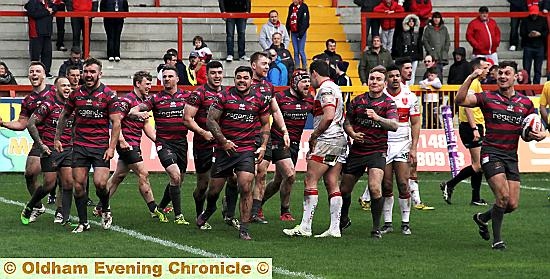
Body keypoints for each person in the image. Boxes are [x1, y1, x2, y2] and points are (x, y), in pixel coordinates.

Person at [456, 60, 545, 250]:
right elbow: (460, 100)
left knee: (511, 204)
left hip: (511, 156)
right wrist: (471, 77)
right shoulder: (487, 97)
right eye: (500, 73)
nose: (502, 76)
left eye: (507, 73)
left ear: (515, 77)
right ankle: (497, 241)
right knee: (503, 197)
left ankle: (482, 218)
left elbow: (534, 130)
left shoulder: (526, 103)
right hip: (491, 153)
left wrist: (540, 135)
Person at [197, 66, 271, 240]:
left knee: (245, 186)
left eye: (245, 78)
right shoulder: (224, 96)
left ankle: (244, 228)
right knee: (213, 190)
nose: (242, 81)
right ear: (234, 79)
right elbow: (210, 120)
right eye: (239, 77)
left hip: (246, 150)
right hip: (224, 151)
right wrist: (223, 141)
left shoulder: (259, 99)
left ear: (251, 80)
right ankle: (210, 208)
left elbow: (265, 124)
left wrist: (263, 146)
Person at [54, 57, 122, 233]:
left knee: (100, 183)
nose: (88, 75)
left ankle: (105, 208)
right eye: (86, 72)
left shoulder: (109, 95)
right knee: (79, 185)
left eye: (92, 72)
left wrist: (111, 147)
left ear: (100, 73)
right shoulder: (76, 94)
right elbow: (64, 115)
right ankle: (83, 222)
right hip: (80, 145)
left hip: (100, 146)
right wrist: (57, 138)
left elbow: (116, 122)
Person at [282, 60, 347, 238]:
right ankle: (334, 228)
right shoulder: (336, 88)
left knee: (310, 180)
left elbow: (328, 116)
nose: (310, 80)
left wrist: (315, 134)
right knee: (332, 182)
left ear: (315, 73)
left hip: (327, 140)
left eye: (311, 76)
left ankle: (305, 226)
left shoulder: (325, 90)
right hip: (339, 140)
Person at [93, 71, 167, 222]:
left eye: (150, 84)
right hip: (127, 144)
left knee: (118, 177)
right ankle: (154, 209)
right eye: (147, 83)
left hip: (134, 143)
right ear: (138, 83)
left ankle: (100, 207)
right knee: (143, 173)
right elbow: (116, 122)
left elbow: (146, 125)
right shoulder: (127, 100)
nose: (149, 87)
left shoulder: (144, 102)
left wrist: (158, 140)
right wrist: (120, 140)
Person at [338, 65, 399, 237]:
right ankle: (343, 219)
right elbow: (347, 121)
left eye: (379, 79)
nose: (374, 82)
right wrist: (352, 133)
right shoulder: (358, 101)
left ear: (385, 83)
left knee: (374, 187)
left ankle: (375, 228)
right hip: (358, 150)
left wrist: (378, 118)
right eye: (372, 78)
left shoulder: (388, 103)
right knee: (344, 190)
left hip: (377, 151)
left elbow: (394, 125)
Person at [128, 65, 191, 226]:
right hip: (164, 143)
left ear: (177, 79)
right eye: (164, 76)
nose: (167, 79)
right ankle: (179, 216)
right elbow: (135, 108)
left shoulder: (187, 96)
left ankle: (161, 206)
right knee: (175, 175)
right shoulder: (156, 98)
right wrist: (136, 112)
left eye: (170, 76)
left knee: (178, 179)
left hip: (182, 143)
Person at [0, 62, 54, 223]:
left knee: (62, 180)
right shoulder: (28, 100)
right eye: (31, 72)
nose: (34, 74)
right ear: (29, 76)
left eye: (38, 71)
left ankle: (63, 212)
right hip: (40, 141)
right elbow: (22, 123)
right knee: (30, 174)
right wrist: (3, 123)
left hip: (61, 140)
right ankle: (37, 206)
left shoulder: (55, 91)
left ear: (44, 75)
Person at [260, 69, 314, 221]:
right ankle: (285, 210)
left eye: (309, 82)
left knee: (279, 180)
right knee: (290, 175)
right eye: (304, 82)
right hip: (277, 141)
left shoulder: (309, 100)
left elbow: (319, 118)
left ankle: (257, 204)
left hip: (294, 144)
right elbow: (264, 115)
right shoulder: (280, 97)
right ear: (295, 83)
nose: (307, 85)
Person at [21, 77, 74, 225]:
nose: (67, 88)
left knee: (68, 182)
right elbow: (31, 123)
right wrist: (41, 145)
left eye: (69, 86)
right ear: (56, 88)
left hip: (67, 148)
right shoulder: (48, 104)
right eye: (63, 85)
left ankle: (64, 215)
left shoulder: (73, 105)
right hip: (50, 149)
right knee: (49, 184)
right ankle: (31, 205)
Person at [376, 64, 420, 235]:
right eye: (391, 76)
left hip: (402, 143)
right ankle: (387, 223)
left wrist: (414, 147)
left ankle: (405, 222)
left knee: (403, 183)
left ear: (401, 77)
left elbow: (415, 123)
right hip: (384, 144)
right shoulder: (380, 96)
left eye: (397, 76)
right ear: (386, 79)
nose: (394, 78)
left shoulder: (410, 97)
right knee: (386, 185)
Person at [440, 58, 490, 206]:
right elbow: (467, 106)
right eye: (485, 67)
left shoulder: (476, 83)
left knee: (478, 164)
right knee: (479, 164)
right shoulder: (473, 82)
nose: (487, 70)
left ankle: (475, 198)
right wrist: (474, 128)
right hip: (470, 126)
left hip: (475, 125)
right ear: (477, 69)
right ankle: (450, 184)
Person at [183, 61, 226, 230]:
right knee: (203, 185)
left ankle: (228, 211)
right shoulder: (198, 93)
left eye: (219, 73)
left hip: (223, 144)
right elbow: (187, 118)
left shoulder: (228, 93)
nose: (217, 76)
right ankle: (200, 213)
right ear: (207, 75)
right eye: (213, 73)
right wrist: (203, 132)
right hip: (203, 145)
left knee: (235, 179)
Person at [249, 52, 289, 224]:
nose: (267, 66)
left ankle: (255, 212)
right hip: (245, 135)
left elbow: (275, 110)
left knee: (262, 173)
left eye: (268, 64)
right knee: (244, 176)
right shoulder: (245, 84)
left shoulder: (268, 86)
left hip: (264, 135)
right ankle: (230, 203)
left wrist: (284, 130)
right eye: (263, 63)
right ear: (253, 65)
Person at [25, 0, 58, 78]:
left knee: (47, 53)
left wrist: (51, 9)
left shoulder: (48, 2)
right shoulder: (32, 2)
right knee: (35, 54)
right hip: (36, 32)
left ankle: (46, 72)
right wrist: (47, 11)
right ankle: (34, 72)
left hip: (47, 32)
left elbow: (56, 7)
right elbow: (34, 14)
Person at [520, 4, 548, 84]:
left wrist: (540, 34)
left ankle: (536, 85)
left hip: (539, 46)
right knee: (526, 69)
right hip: (528, 46)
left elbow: (546, 31)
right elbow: (522, 33)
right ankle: (527, 85)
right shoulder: (525, 20)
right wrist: (529, 35)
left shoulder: (543, 20)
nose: (534, 16)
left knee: (538, 69)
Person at [394, 14, 422, 85]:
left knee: (413, 72)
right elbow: (399, 44)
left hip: (415, 56)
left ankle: (411, 86)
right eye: (410, 21)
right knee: (405, 72)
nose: (411, 23)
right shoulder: (403, 33)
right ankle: (405, 86)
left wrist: (420, 55)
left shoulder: (417, 33)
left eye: (413, 21)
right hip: (405, 55)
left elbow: (419, 44)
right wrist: (400, 55)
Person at [422, 12, 450, 80]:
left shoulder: (444, 29)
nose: (436, 19)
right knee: (431, 72)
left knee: (439, 72)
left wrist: (445, 50)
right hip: (432, 55)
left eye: (438, 18)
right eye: (435, 18)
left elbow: (447, 40)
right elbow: (425, 40)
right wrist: (429, 50)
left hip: (441, 55)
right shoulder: (428, 29)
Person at [286, 0, 310, 69]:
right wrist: (287, 30)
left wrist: (301, 33)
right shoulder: (291, 6)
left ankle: (305, 67)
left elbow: (305, 21)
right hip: (293, 32)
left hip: (301, 32)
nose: (294, 1)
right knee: (296, 51)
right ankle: (297, 67)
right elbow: (289, 18)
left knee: (301, 50)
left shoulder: (304, 7)